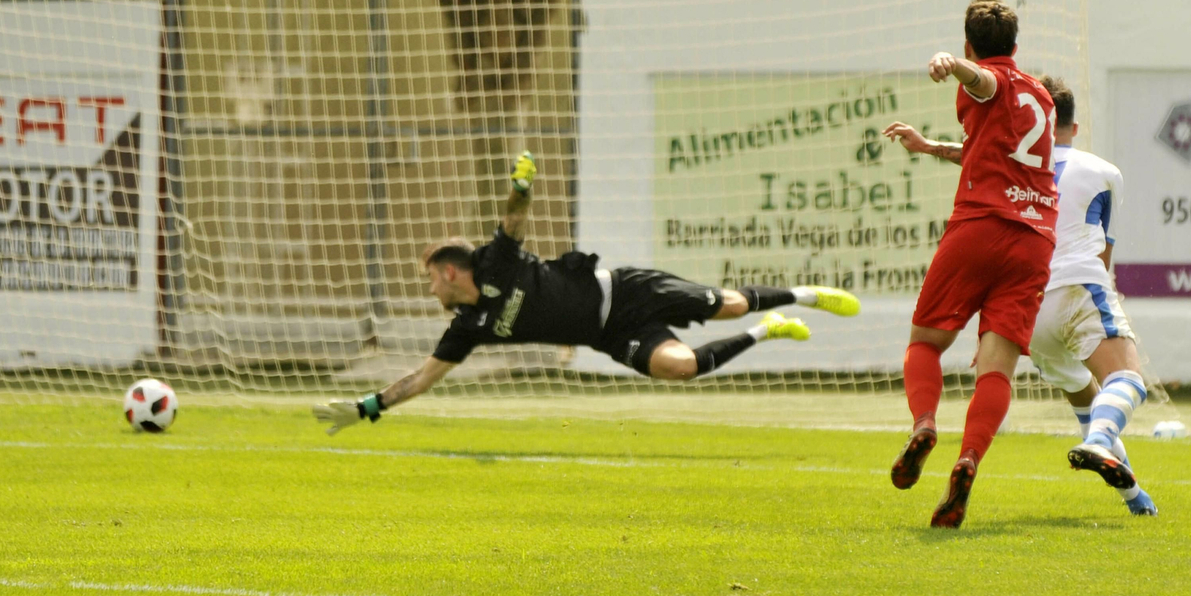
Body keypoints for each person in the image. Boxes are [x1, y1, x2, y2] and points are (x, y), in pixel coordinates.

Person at [313, 150, 862, 435]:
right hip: (610, 334)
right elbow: (420, 379)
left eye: (432, 276)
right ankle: (769, 332)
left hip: (626, 291)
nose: (429, 287)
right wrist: (366, 408)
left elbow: (514, 218)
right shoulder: (466, 328)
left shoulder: (493, 262)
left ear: (453, 272)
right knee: (682, 369)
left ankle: (802, 296)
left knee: (728, 305)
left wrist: (521, 185)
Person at [886, 76, 1156, 515]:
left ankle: (1136, 499)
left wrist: (927, 145)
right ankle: (1101, 441)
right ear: (1074, 123)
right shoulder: (1106, 172)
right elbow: (1102, 253)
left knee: (1083, 393)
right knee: (1126, 379)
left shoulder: (1018, 163)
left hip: (1032, 306)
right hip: (1077, 284)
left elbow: (970, 156)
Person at [878, 0, 1058, 528]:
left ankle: (925, 424)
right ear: (1017, 44)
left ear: (970, 45)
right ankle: (968, 460)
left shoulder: (990, 79)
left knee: (925, 342)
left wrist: (951, 65)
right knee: (996, 367)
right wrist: (929, 146)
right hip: (1034, 242)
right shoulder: (1043, 97)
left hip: (981, 226)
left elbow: (986, 83)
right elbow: (987, 147)